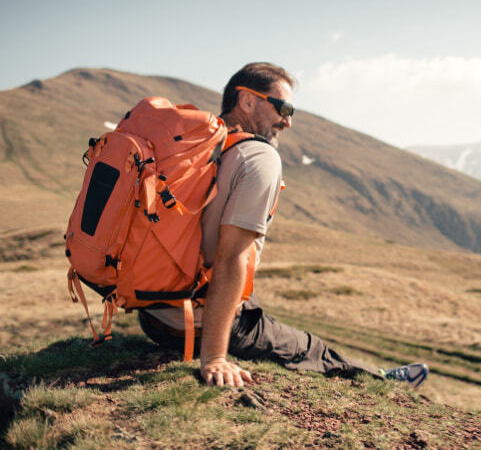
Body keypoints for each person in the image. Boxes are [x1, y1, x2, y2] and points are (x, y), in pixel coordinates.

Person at [138, 62, 428, 388]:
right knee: (308, 348)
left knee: (259, 311)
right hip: (192, 322)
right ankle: (385, 381)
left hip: (152, 316)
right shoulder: (258, 157)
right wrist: (215, 358)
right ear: (247, 101)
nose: (287, 122)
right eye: (283, 108)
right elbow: (230, 258)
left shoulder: (197, 147)